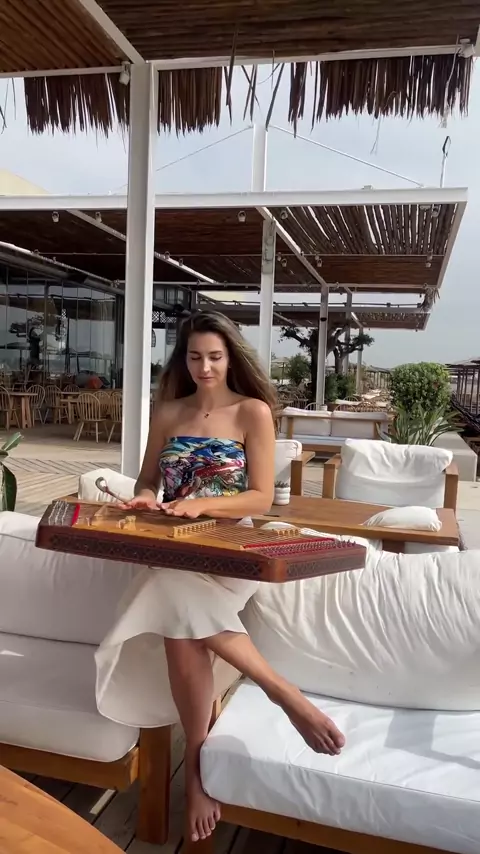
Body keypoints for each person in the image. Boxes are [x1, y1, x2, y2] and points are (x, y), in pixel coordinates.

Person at [95, 311, 345, 844]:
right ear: (182, 360)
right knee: (177, 617)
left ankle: (207, 760)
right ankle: (265, 707)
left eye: (214, 356)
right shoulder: (168, 411)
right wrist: (147, 498)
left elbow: (259, 496)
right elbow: (146, 481)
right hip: (175, 545)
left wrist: (203, 504)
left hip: (231, 552)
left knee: (170, 597)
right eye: (194, 357)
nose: (204, 367)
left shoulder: (253, 412)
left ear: (230, 357)